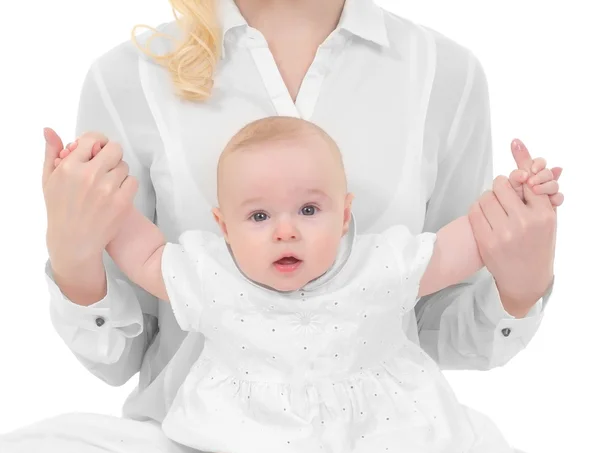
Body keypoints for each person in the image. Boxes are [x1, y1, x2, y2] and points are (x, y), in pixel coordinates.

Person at [55, 114, 560, 453]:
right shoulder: (213, 276)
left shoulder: (378, 264)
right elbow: (146, 257)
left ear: (344, 215)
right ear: (224, 226)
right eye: (258, 216)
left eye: (309, 210)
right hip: (257, 433)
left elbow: (459, 246)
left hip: (379, 427)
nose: (285, 230)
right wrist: (93, 201)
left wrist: (517, 197)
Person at [41, 0, 563, 430]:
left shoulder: (445, 75)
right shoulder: (129, 77)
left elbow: (436, 319)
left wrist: (520, 283)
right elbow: (121, 355)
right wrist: (73, 254)